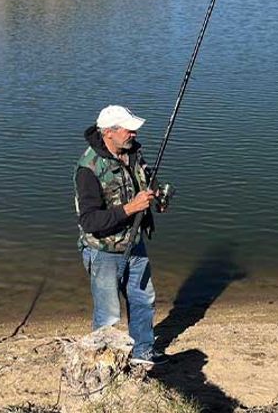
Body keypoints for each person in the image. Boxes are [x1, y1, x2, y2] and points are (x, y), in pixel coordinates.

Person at [74, 104, 168, 366]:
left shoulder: (134, 153)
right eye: (129, 130)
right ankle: (104, 364)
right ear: (109, 132)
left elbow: (146, 182)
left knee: (143, 300)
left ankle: (142, 354)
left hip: (134, 244)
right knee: (108, 314)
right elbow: (90, 220)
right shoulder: (88, 169)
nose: (134, 134)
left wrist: (156, 196)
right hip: (102, 251)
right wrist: (131, 208)